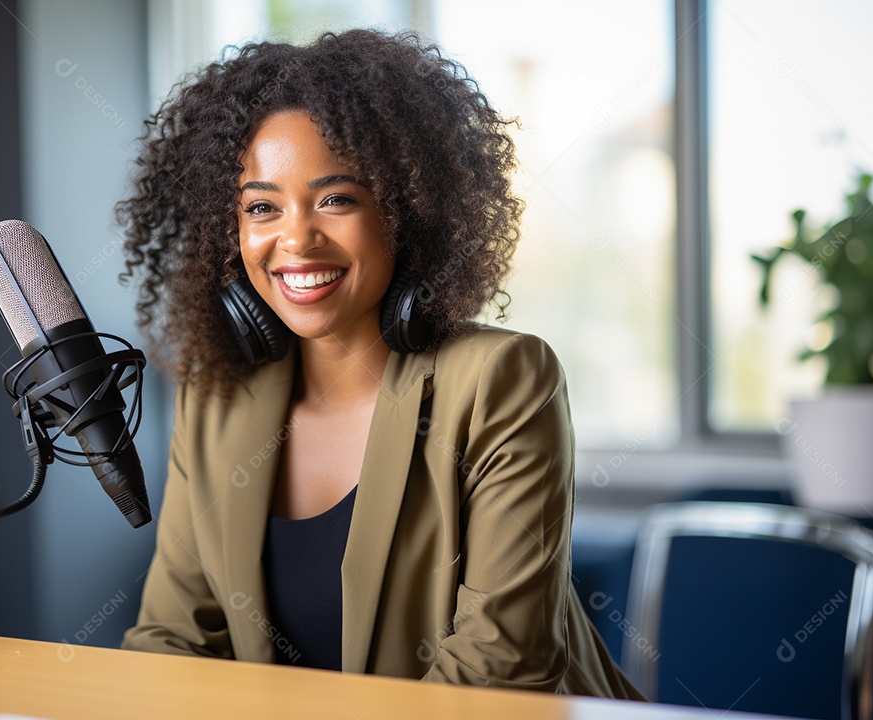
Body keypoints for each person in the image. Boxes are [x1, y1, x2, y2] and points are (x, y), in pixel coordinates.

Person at [117, 28, 643, 699]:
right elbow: (172, 642)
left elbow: (497, 670)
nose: (296, 238)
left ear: (406, 211)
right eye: (262, 207)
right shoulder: (217, 397)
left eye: (336, 199)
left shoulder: (502, 381)